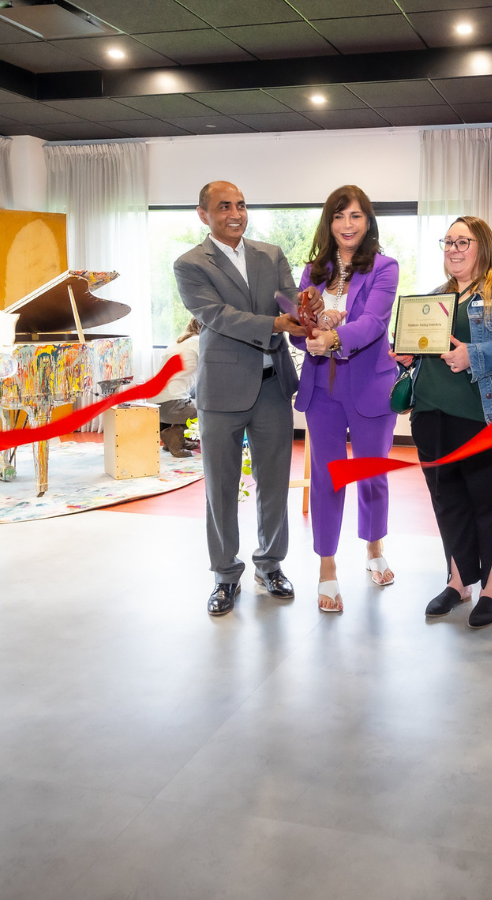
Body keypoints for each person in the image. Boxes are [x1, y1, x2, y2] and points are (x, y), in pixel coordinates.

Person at [174, 180, 317, 617]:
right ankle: (224, 574)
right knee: (220, 490)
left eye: (240, 205)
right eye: (224, 206)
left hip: (273, 388)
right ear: (204, 214)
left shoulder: (270, 254)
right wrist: (277, 324)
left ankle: (271, 565)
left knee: (273, 485)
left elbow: (291, 298)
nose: (235, 213)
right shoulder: (189, 264)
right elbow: (216, 316)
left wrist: (313, 310)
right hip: (221, 393)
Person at [399, 216, 492, 628]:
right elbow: (422, 346)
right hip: (433, 417)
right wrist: (408, 354)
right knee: (448, 503)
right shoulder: (435, 297)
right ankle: (458, 581)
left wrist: (474, 355)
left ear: (483, 245)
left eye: (463, 241)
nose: (453, 249)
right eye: (447, 241)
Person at [292, 185, 401, 613]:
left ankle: (374, 548)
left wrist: (334, 335)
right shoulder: (312, 272)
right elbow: (299, 330)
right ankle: (327, 567)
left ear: (368, 221)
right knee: (328, 476)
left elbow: (374, 322)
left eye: (356, 216)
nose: (347, 225)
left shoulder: (385, 267)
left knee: (372, 472)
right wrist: (311, 338)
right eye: (339, 216)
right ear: (329, 223)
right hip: (323, 390)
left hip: (371, 386)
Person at [151, 317, 202, 458]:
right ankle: (173, 434)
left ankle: (175, 440)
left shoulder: (179, 342)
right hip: (171, 404)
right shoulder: (200, 343)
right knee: (209, 409)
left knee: (193, 395)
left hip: (156, 404)